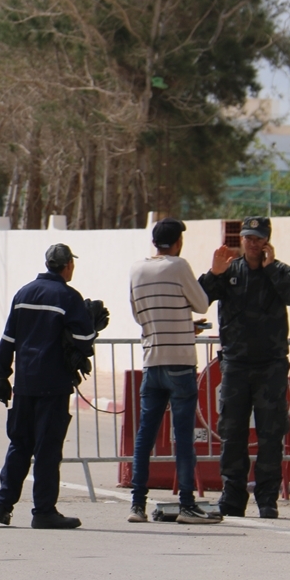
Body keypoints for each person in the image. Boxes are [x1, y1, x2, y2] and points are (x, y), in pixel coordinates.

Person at [199, 217, 290, 519]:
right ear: (242, 239)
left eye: (258, 239)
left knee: (271, 434)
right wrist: (213, 273)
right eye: (248, 237)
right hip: (235, 364)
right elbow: (200, 299)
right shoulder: (230, 270)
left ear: (267, 241)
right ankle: (232, 497)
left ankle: (267, 499)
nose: (252, 243)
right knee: (232, 432)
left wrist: (271, 268)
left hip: (270, 365)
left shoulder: (280, 271)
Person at [0, 244, 98, 529]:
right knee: (48, 449)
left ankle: (2, 506)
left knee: (19, 446)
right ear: (67, 267)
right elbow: (85, 340)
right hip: (53, 385)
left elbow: (8, 340)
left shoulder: (24, 293)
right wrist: (91, 325)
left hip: (24, 385)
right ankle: (44, 511)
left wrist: (2, 376)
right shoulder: (68, 296)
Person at [127, 218, 222, 524]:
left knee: (145, 435)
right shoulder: (179, 266)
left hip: (152, 359)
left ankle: (137, 504)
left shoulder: (136, 269)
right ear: (177, 242)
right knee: (183, 437)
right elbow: (201, 303)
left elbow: (139, 314)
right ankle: (186, 504)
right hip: (180, 361)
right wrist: (214, 275)